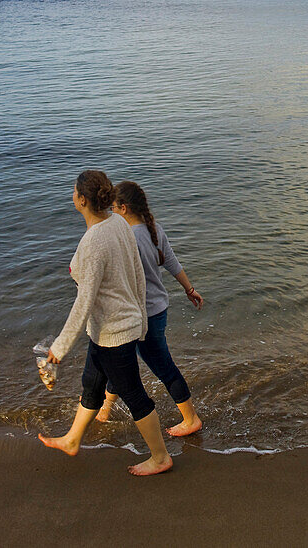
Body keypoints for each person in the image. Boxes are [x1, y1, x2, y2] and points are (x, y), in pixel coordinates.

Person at [37, 170, 173, 477]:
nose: (71, 196)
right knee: (92, 384)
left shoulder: (95, 240)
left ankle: (160, 456)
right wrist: (140, 318)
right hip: (107, 330)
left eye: (74, 193)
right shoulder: (117, 223)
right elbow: (137, 273)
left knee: (135, 395)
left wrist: (60, 347)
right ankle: (72, 439)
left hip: (114, 333)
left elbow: (83, 301)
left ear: (82, 200)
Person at [95, 180, 203, 438]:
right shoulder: (154, 230)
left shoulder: (125, 238)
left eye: (113, 208)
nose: (111, 213)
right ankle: (106, 409)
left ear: (122, 208)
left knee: (162, 366)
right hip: (155, 311)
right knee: (119, 361)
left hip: (140, 317)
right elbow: (172, 262)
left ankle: (191, 419)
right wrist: (189, 290)